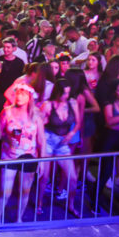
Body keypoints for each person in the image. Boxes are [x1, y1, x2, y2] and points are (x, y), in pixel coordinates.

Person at [0, 82, 45, 223]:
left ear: (30, 97)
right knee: (5, 191)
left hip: (29, 157)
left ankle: (19, 219)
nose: (19, 96)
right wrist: (8, 137)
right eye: (18, 93)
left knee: (25, 191)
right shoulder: (6, 112)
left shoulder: (36, 115)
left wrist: (41, 162)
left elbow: (42, 140)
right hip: (9, 155)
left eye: (23, 93)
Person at [38, 79, 80, 216]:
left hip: (62, 143)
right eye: (63, 93)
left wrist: (72, 133)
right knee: (44, 176)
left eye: (68, 93)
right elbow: (39, 125)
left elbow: (79, 122)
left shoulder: (72, 103)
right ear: (57, 92)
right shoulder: (48, 105)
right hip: (49, 139)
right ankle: (39, 204)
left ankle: (71, 205)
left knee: (73, 177)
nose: (66, 96)